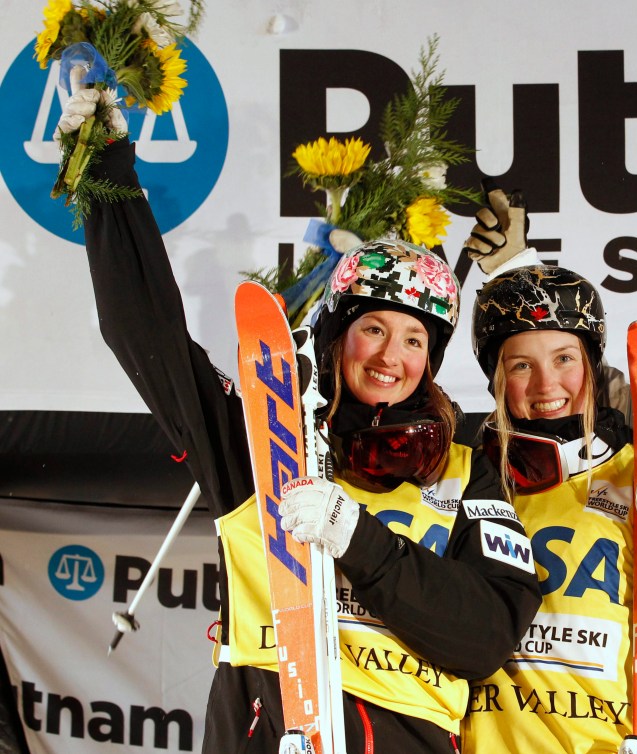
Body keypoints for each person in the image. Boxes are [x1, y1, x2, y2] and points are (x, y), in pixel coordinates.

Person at [67, 100, 541, 751]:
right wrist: (107, 177)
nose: (388, 356)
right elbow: (143, 332)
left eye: (412, 340)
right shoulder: (263, 442)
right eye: (372, 328)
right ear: (337, 337)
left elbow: (486, 635)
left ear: (430, 361)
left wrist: (361, 539)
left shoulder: (466, 473)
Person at [458, 261, 637, 754]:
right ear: (495, 380)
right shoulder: (465, 481)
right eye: (521, 365)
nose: (547, 385)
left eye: (565, 359)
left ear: (592, 365)